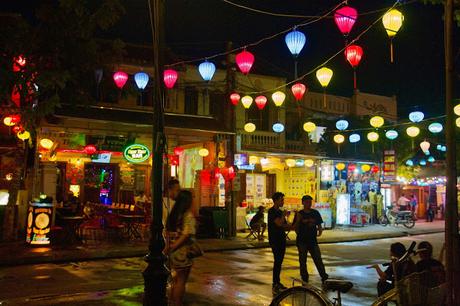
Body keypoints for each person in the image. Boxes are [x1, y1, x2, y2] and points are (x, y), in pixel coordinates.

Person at [164, 190, 196, 306]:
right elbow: (186, 234)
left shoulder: (173, 214)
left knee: (175, 280)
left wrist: (168, 246)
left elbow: (167, 232)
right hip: (182, 252)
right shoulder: (187, 215)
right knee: (181, 281)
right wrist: (174, 246)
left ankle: (172, 301)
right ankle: (177, 302)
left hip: (172, 253)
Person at [294, 195, 329, 284]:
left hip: (312, 240)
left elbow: (319, 224)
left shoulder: (315, 213)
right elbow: (296, 227)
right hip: (302, 240)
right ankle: (304, 278)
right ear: (303, 203)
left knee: (318, 259)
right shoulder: (299, 214)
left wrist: (319, 232)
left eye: (310, 202)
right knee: (302, 260)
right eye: (307, 202)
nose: (309, 203)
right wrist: (299, 224)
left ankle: (324, 276)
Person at [268, 192, 292, 294]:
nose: (283, 202)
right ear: (276, 200)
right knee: (277, 261)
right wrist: (283, 215)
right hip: (275, 239)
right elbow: (279, 223)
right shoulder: (272, 211)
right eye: (281, 200)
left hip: (281, 238)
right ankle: (275, 283)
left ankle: (277, 282)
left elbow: (285, 225)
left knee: (279, 261)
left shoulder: (280, 212)